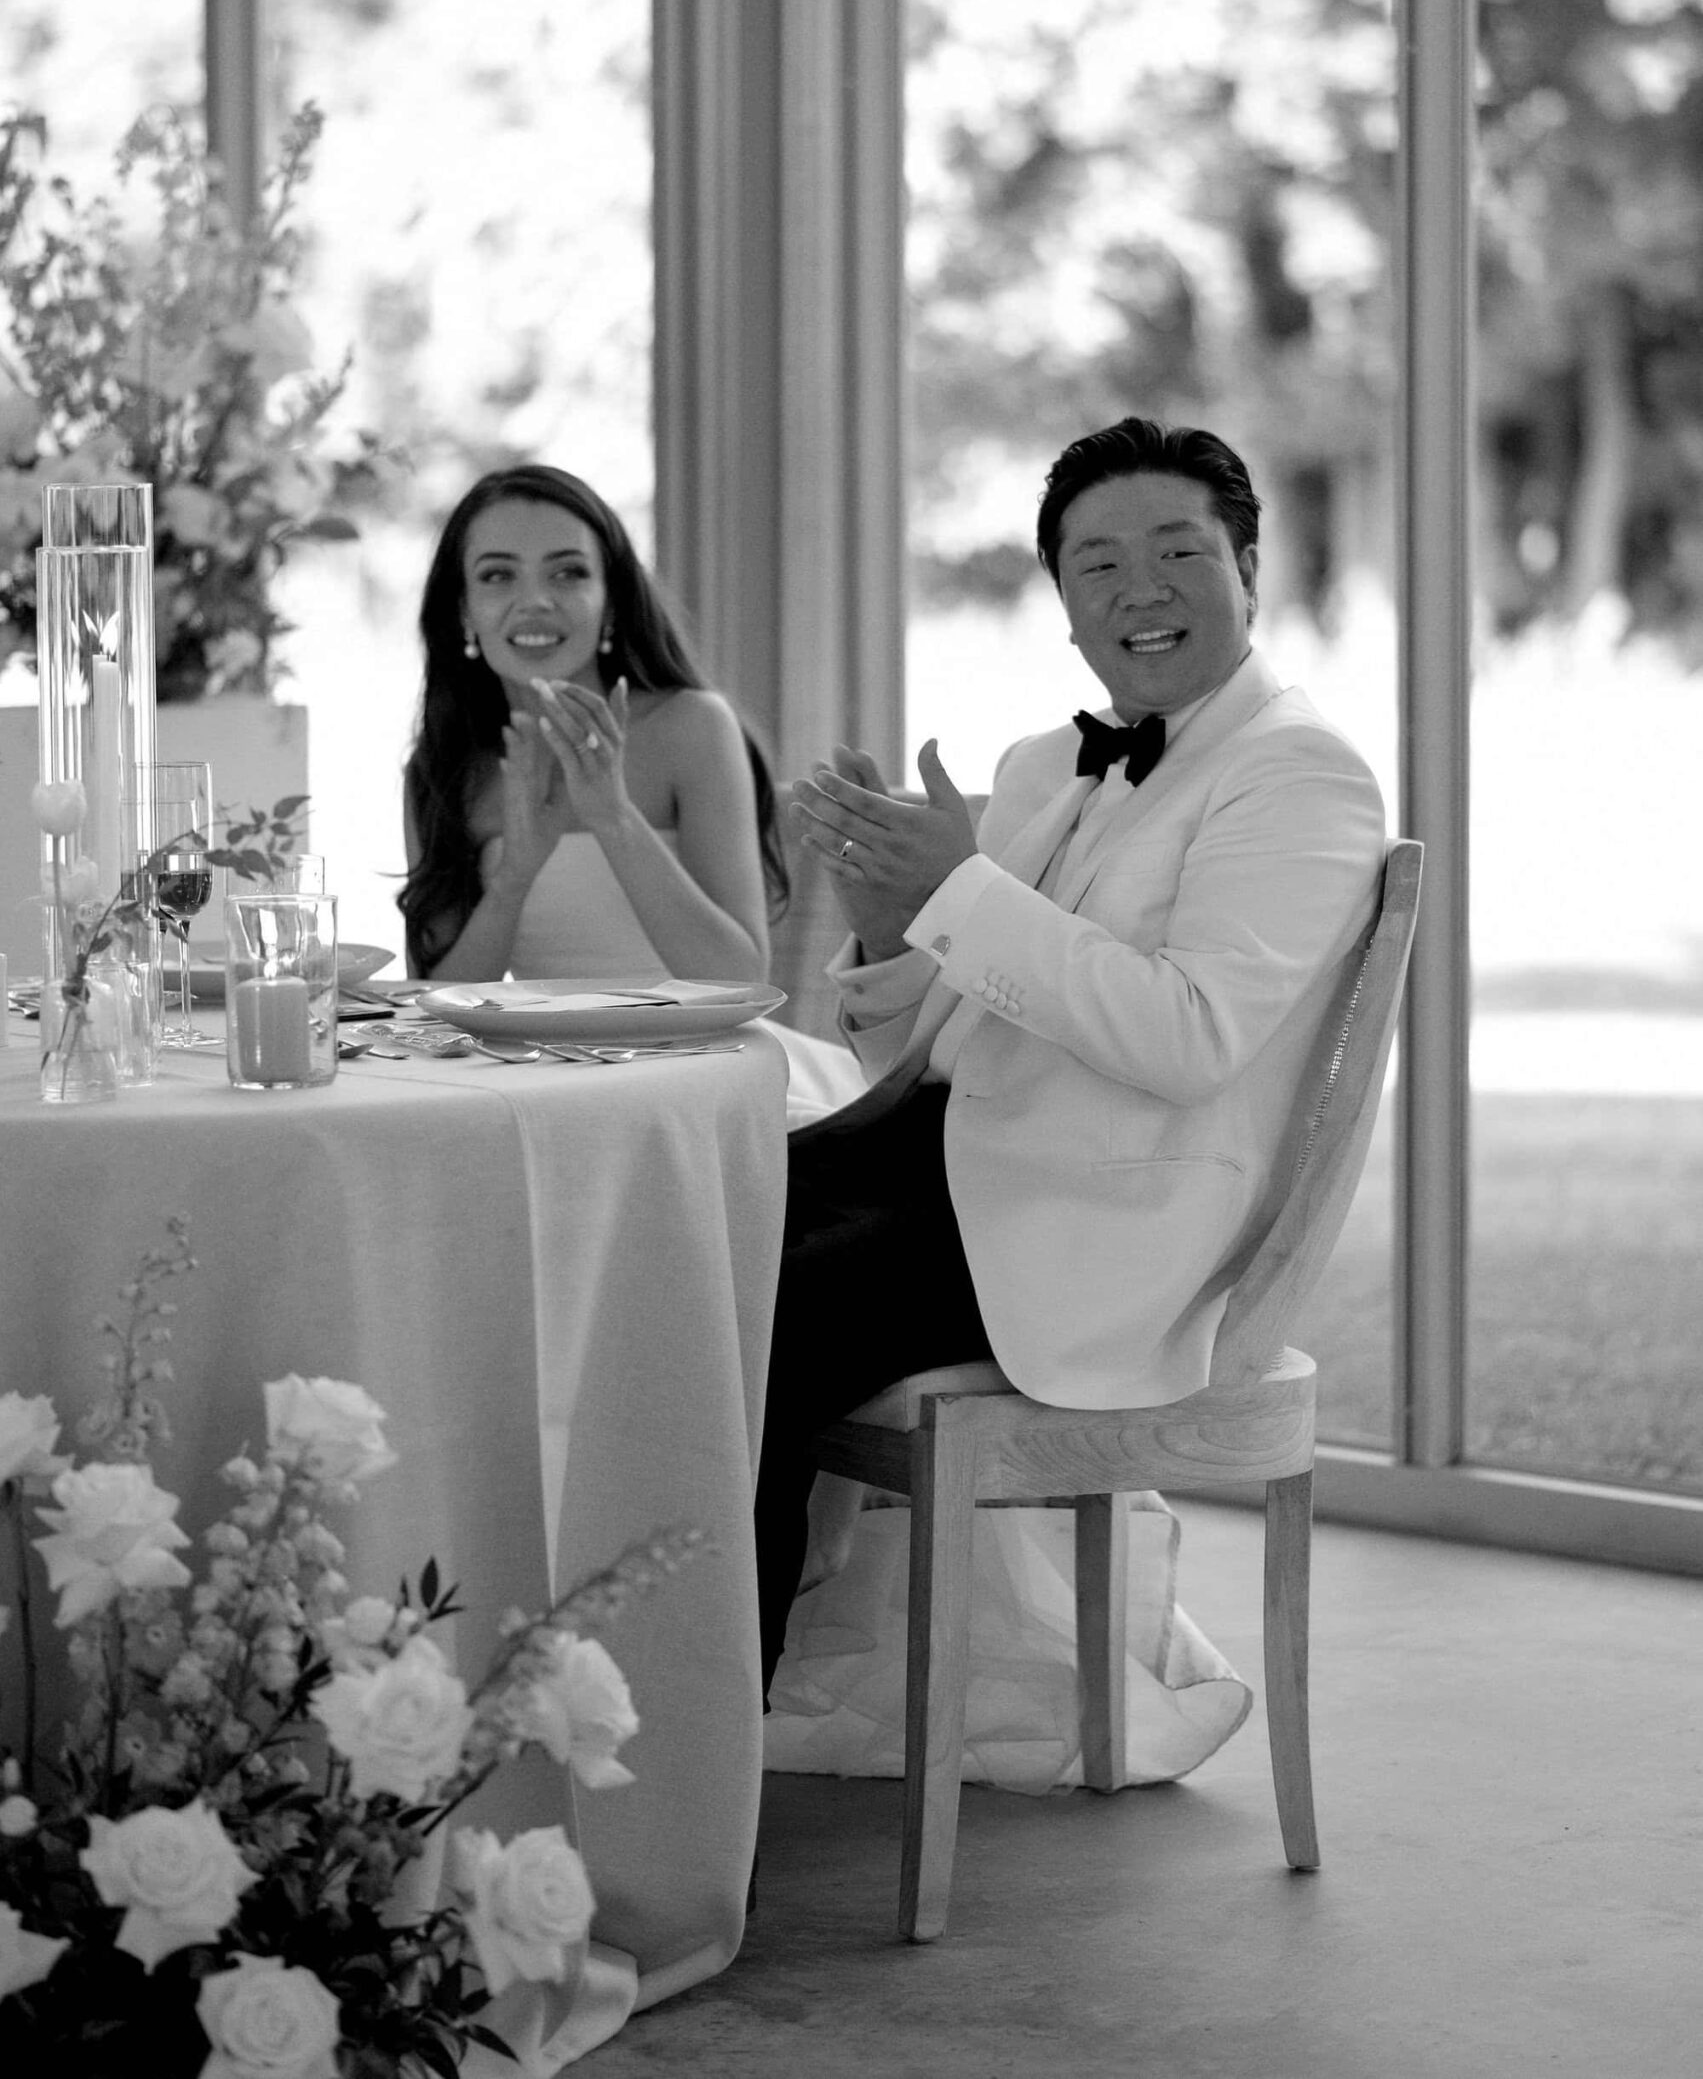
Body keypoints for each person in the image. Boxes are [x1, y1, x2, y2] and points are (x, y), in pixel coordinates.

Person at [758, 416, 1386, 1763]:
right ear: (1061, 602)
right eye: (1095, 564)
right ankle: (619, 1695)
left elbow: (1186, 1036)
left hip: (1096, 1227)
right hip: (949, 1155)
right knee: (665, 1230)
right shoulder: (1048, 767)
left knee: (755, 1324)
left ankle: (687, 1772)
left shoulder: (1299, 772)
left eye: (1176, 551)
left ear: (1248, 569)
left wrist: (959, 894)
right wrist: (891, 917)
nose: (1136, 591)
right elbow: (947, 1031)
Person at [399, 463, 863, 1123]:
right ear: (463, 611)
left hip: (707, 1074)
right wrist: (514, 878)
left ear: (612, 600)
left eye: (568, 572)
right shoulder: (444, 769)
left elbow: (740, 980)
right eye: (498, 575)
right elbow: (436, 1005)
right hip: (542, 1086)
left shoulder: (691, 726)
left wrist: (612, 817)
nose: (535, 600)